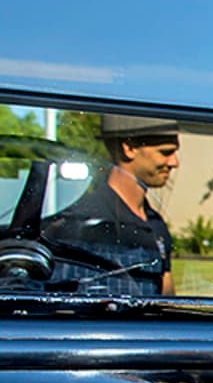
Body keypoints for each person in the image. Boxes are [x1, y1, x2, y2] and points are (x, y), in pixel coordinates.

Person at [43, 113, 179, 296]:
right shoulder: (82, 222)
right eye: (165, 152)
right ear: (129, 148)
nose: (174, 162)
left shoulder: (155, 224)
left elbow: (166, 300)